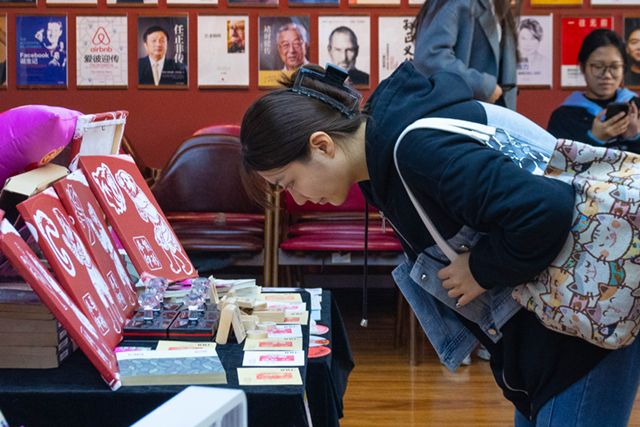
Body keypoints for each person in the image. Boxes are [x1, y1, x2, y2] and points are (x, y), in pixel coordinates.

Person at [239, 62, 640, 426]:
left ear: (322, 145)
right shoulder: (389, 147)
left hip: (582, 335)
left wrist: (480, 268)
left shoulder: (415, 151)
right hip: (554, 331)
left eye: (289, 183)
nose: (300, 199)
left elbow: (546, 209)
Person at [412, 0, 518, 110]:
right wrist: (483, 86)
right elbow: (430, 58)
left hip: (484, 113)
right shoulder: (458, 3)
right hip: (459, 114)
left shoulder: (496, 4)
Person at [548, 29, 640, 154]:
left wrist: (634, 138)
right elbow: (556, 166)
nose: (607, 75)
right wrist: (594, 139)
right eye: (597, 66)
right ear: (582, 67)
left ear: (623, 68)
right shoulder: (564, 117)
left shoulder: (636, 108)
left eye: (614, 67)